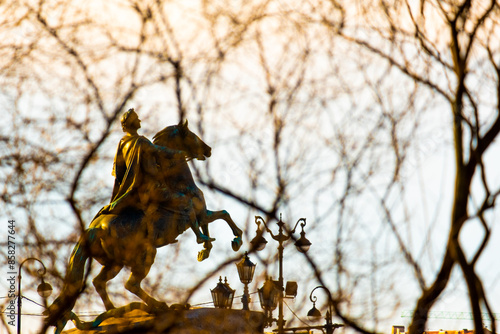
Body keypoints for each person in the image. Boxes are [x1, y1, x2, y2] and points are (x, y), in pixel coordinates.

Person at [97, 108, 214, 244]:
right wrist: (178, 154)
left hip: (136, 190)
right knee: (185, 201)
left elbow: (117, 171)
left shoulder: (123, 143)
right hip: (152, 189)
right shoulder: (141, 141)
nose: (140, 120)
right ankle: (199, 236)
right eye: (137, 118)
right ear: (133, 123)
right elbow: (159, 150)